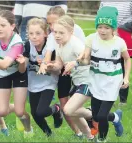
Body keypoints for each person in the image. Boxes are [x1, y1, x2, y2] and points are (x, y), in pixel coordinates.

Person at [78, 6, 131, 142]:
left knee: (101, 116)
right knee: (96, 115)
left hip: (112, 82)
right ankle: (115, 118)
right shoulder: (91, 39)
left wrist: (126, 77)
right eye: (100, 26)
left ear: (113, 28)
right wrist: (80, 60)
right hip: (95, 80)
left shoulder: (119, 42)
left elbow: (127, 59)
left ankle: (102, 139)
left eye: (107, 27)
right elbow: (85, 57)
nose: (102, 30)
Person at [38, 6, 89, 138]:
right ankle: (79, 133)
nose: (51, 27)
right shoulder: (53, 37)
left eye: (54, 23)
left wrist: (75, 63)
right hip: (66, 70)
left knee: (72, 108)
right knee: (66, 105)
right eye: (49, 24)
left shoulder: (76, 33)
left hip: (83, 75)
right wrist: (47, 65)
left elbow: (86, 56)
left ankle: (98, 121)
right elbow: (54, 61)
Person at [16, 17, 63, 137]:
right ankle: (49, 135)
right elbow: (22, 70)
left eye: (38, 33)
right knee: (35, 114)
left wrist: (47, 65)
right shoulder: (27, 45)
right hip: (33, 84)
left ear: (45, 33)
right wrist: (21, 63)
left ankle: (56, 109)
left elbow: (58, 69)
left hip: (49, 83)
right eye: (31, 33)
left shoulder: (51, 47)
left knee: (41, 111)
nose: (34, 36)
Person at [99, 1, 132, 106]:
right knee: (107, 65)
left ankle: (123, 99)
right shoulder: (104, 1)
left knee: (121, 66)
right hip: (107, 35)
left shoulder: (131, 1)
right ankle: (108, 97)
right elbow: (99, 17)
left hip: (124, 34)